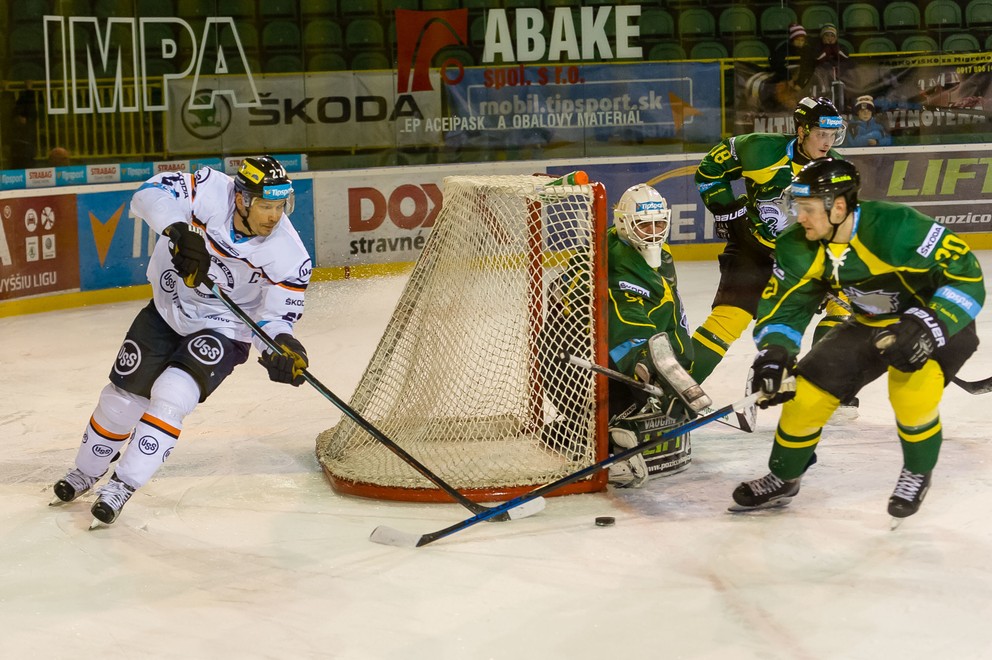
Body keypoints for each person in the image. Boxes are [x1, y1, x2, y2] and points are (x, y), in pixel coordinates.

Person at [52, 155, 313, 525]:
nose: (274, 216)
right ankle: (85, 472)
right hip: (167, 309)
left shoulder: (289, 254)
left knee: (173, 393)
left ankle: (123, 484)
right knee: (121, 400)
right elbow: (148, 193)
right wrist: (179, 229)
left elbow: (275, 319)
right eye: (266, 206)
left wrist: (282, 347)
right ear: (242, 199)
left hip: (224, 330)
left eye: (279, 206)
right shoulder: (210, 190)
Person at [731, 158, 983, 520]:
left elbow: (967, 278)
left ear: (838, 206)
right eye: (797, 208)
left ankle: (917, 472)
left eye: (808, 209)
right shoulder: (797, 246)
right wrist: (774, 351)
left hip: (938, 319)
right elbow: (786, 310)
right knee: (805, 399)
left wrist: (930, 323)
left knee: (912, 394)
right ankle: (785, 476)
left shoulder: (899, 227)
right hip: (868, 322)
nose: (799, 218)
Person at [541, 184, 696, 487]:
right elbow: (629, 324)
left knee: (650, 386)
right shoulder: (612, 261)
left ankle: (583, 427)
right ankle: (592, 429)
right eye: (644, 225)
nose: (653, 232)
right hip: (570, 362)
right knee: (639, 385)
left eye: (659, 223)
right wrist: (659, 373)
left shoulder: (657, 256)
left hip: (593, 354)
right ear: (624, 223)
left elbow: (670, 315)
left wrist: (684, 368)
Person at [691, 96, 848, 386]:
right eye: (820, 134)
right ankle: (676, 388)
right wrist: (729, 213)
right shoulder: (759, 149)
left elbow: (840, 226)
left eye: (832, 135)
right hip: (753, 250)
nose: (827, 142)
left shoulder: (837, 170)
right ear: (801, 131)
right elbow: (709, 172)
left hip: (800, 257)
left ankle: (824, 383)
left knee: (844, 304)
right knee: (728, 319)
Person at [769, 24, 818, 104]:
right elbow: (776, 62)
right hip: (785, 78)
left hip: (802, 81)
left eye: (802, 40)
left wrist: (800, 83)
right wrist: (788, 77)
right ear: (792, 40)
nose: (800, 42)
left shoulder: (807, 50)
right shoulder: (784, 48)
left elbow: (809, 67)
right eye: (797, 40)